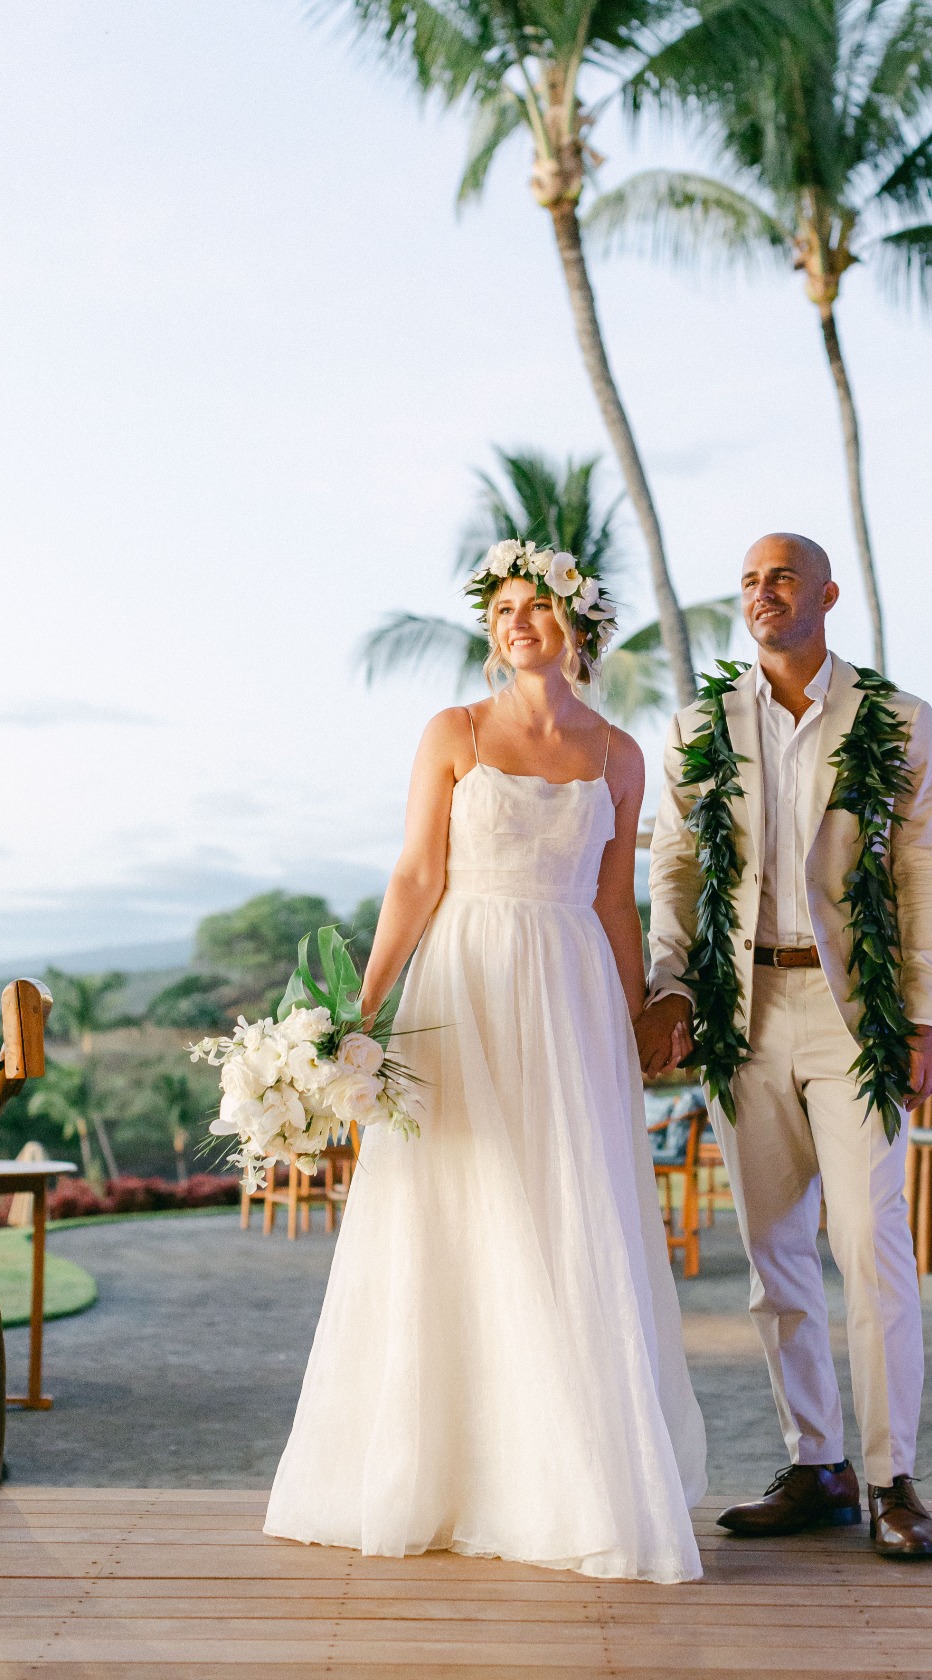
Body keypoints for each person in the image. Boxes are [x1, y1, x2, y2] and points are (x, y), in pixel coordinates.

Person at [264, 539, 707, 1584]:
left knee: (567, 1210)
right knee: (460, 1207)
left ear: (578, 628)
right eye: (505, 608)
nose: (519, 622)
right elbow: (418, 873)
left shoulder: (618, 753)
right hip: (464, 979)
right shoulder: (453, 732)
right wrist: (357, 1011)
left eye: (539, 607)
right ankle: (443, 1473)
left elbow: (611, 899)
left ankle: (567, 1481)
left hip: (572, 995)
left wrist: (641, 1007)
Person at [637, 533, 932, 1560]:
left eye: (781, 577)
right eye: (748, 580)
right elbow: (676, 871)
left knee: (871, 1249)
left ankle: (890, 1476)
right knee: (774, 1254)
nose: (760, 593)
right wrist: (673, 984)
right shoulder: (700, 726)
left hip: (852, 1009)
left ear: (825, 595)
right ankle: (815, 1461)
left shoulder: (897, 721)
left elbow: (927, 871)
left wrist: (928, 1013)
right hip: (745, 1011)